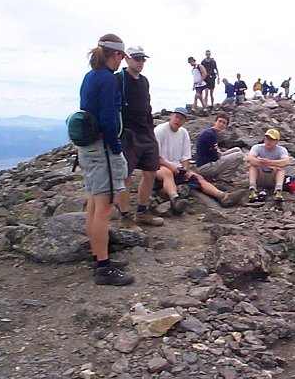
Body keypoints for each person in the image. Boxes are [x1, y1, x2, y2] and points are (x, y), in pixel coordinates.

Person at [78, 33, 134, 286]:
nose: (122, 61)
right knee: (104, 208)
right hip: (103, 151)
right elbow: (110, 120)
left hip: (88, 148)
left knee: (93, 204)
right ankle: (103, 267)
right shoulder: (109, 80)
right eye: (122, 56)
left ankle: (99, 256)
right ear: (117, 55)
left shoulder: (90, 77)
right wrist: (116, 149)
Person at [154, 108, 246, 212]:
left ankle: (223, 196)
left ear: (185, 121)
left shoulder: (183, 133)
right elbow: (155, 157)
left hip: (177, 167)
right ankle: (175, 200)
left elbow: (185, 156)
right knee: (167, 173)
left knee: (197, 177)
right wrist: (171, 167)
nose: (178, 120)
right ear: (171, 116)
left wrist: (184, 168)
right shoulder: (160, 130)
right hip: (159, 166)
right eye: (176, 117)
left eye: (181, 119)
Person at [115, 45, 163, 228]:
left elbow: (147, 105)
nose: (141, 62)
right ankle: (125, 216)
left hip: (145, 131)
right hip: (127, 133)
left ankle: (141, 212)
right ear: (127, 58)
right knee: (125, 175)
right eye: (137, 59)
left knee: (151, 171)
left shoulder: (144, 81)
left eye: (143, 59)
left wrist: (150, 128)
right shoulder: (118, 79)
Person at [245, 128, 290, 202]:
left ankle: (278, 191)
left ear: (277, 141)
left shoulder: (281, 150)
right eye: (267, 139)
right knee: (253, 167)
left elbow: (286, 162)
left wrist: (269, 163)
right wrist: (266, 164)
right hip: (261, 176)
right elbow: (249, 158)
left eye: (271, 139)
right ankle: (252, 189)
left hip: (272, 177)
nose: (268, 141)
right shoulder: (257, 147)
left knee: (281, 170)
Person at [195, 113, 244, 181]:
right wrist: (219, 154)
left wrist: (219, 153)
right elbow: (214, 157)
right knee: (239, 155)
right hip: (205, 167)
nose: (221, 124)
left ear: (226, 126)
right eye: (219, 121)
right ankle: (222, 178)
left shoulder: (212, 133)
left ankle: (220, 176)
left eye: (224, 123)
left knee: (237, 149)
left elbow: (215, 152)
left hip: (210, 162)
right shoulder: (210, 134)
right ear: (215, 122)